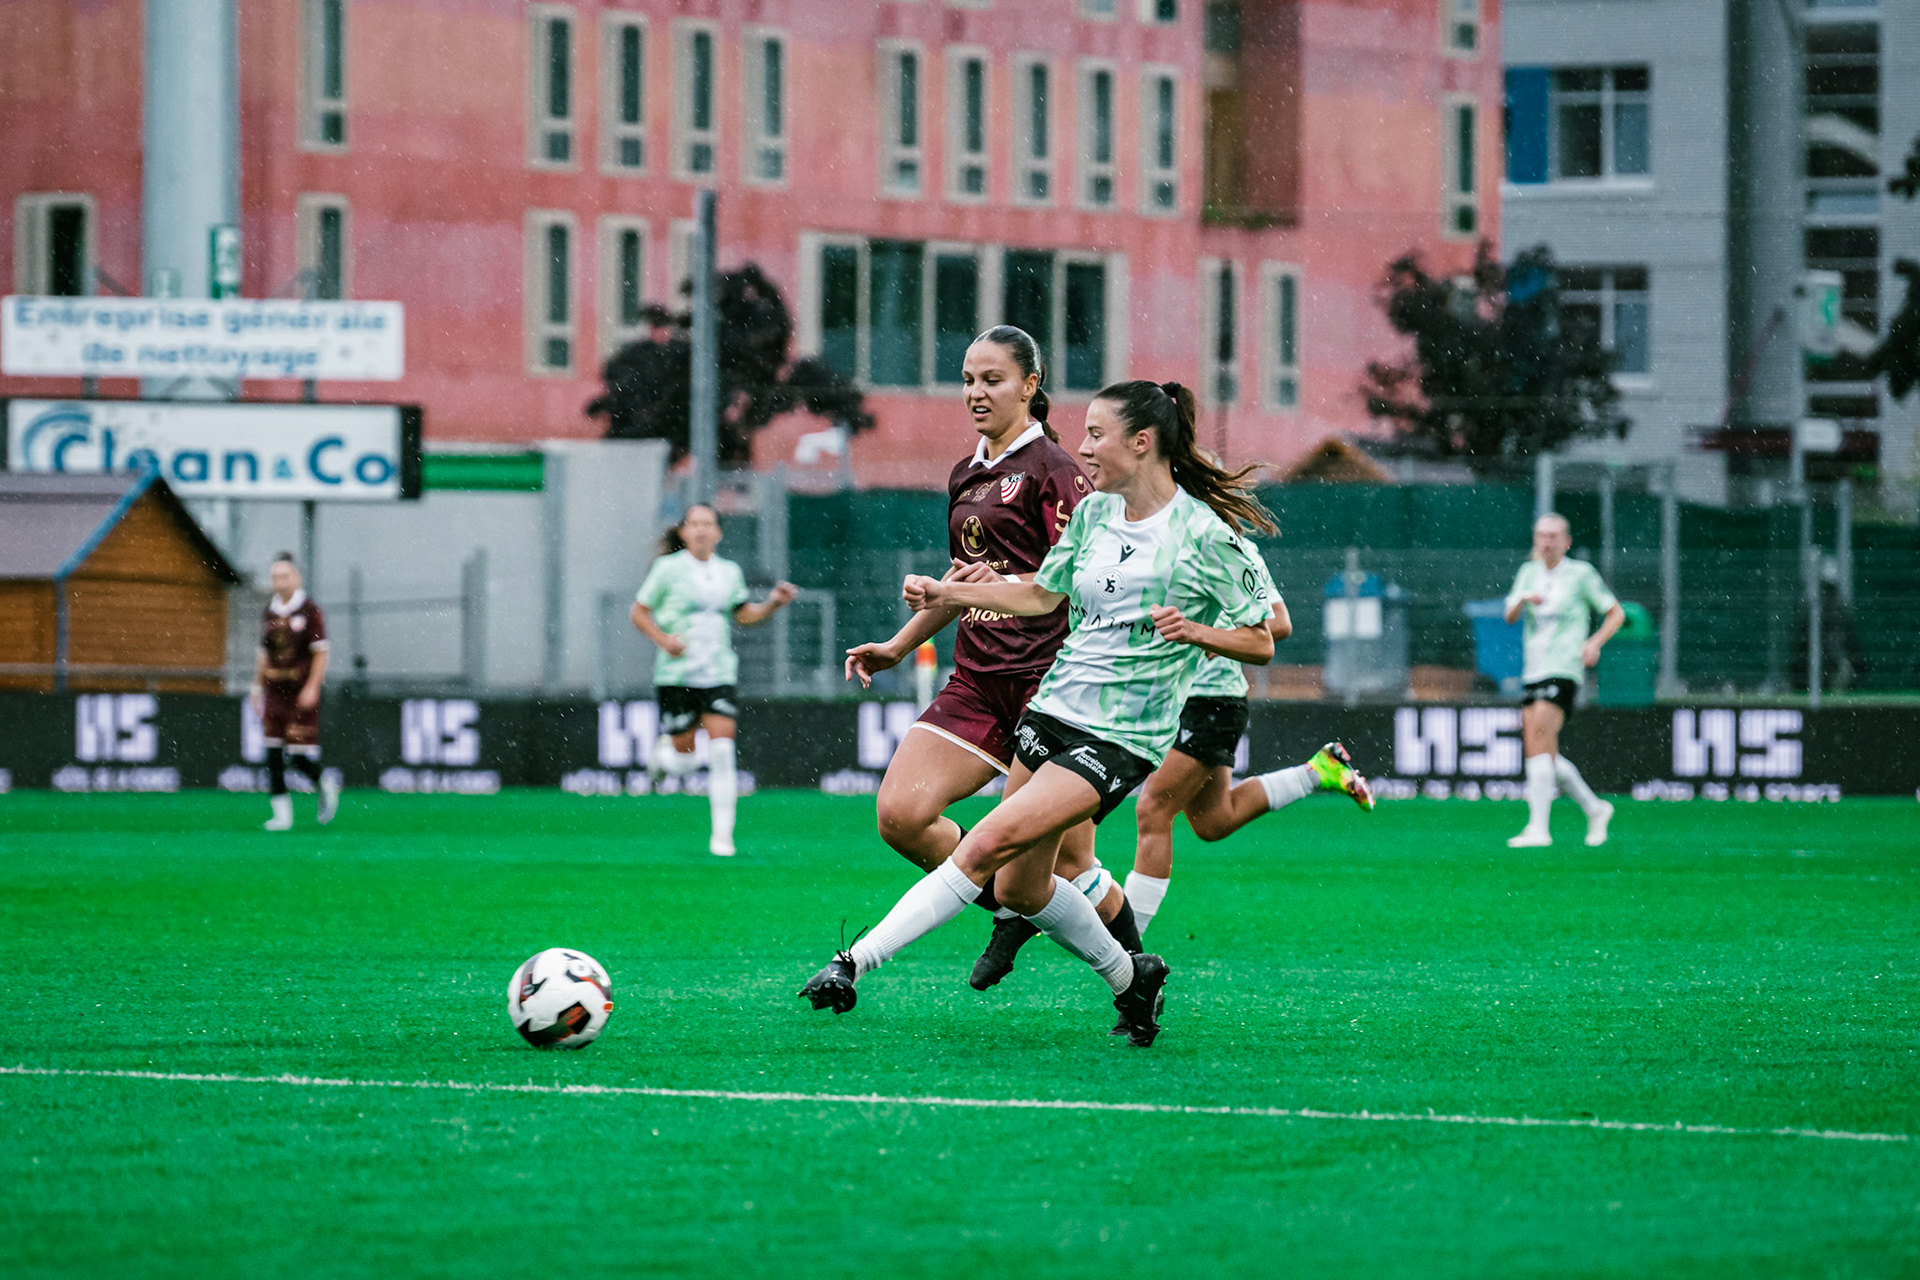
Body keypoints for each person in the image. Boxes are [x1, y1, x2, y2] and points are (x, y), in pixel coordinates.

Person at [802, 379, 1276, 1047]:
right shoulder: (1096, 514)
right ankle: (1131, 977)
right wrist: (947, 594)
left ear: (1142, 443)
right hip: (1050, 708)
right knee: (1021, 889)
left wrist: (1198, 632)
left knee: (986, 843)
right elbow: (1040, 596)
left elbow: (1264, 636)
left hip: (1120, 735)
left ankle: (854, 962)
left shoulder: (1203, 533)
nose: (1084, 447)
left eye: (1097, 435)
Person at [841, 326, 1138, 959]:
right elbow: (962, 582)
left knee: (1071, 866)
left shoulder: (1057, 472)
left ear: (1030, 385)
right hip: (976, 682)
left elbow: (1074, 584)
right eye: (968, 380)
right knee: (900, 816)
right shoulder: (966, 475)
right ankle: (1009, 906)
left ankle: (1135, 974)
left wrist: (998, 583)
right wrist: (897, 646)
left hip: (1048, 690)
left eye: (992, 380)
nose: (976, 392)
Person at [630, 504, 797, 856]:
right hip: (676, 676)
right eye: (695, 524)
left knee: (722, 752)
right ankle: (663, 757)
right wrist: (664, 640)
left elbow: (743, 615)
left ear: (718, 533)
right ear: (684, 532)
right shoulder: (668, 569)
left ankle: (722, 838)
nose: (702, 530)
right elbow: (638, 612)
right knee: (686, 761)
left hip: (718, 674)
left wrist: (772, 604)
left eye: (708, 524)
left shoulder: (728, 571)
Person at [1502, 512, 1624, 848]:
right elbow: (1509, 616)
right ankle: (1595, 808)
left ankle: (1539, 829)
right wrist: (1522, 598)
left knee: (1540, 741)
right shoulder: (1528, 572)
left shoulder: (1580, 573)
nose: (1546, 542)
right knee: (1543, 753)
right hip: (1533, 670)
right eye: (1541, 535)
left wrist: (1594, 643)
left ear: (1566, 542)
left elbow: (1616, 612)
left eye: (1553, 536)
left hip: (1563, 667)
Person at [251, 553, 339, 831]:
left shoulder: (310, 610)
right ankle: (281, 817)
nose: (279, 581)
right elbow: (263, 654)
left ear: (297, 578)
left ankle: (324, 783)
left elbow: (321, 652)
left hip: (300, 692)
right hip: (274, 692)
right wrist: (257, 687)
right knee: (273, 754)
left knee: (299, 756)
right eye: (274, 577)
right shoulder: (269, 612)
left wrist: (313, 686)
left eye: (284, 576)